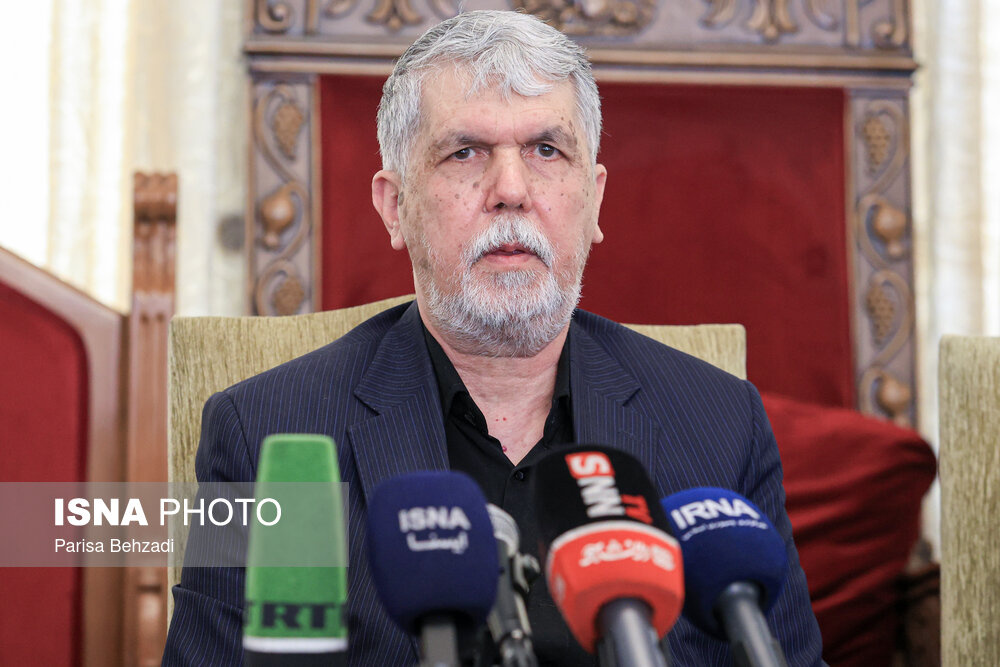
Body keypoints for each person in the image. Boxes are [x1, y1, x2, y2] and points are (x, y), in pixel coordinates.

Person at [163, 10, 824, 666]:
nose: (511, 190)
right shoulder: (265, 434)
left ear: (594, 201)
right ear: (395, 207)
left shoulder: (721, 425)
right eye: (465, 153)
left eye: (546, 150)